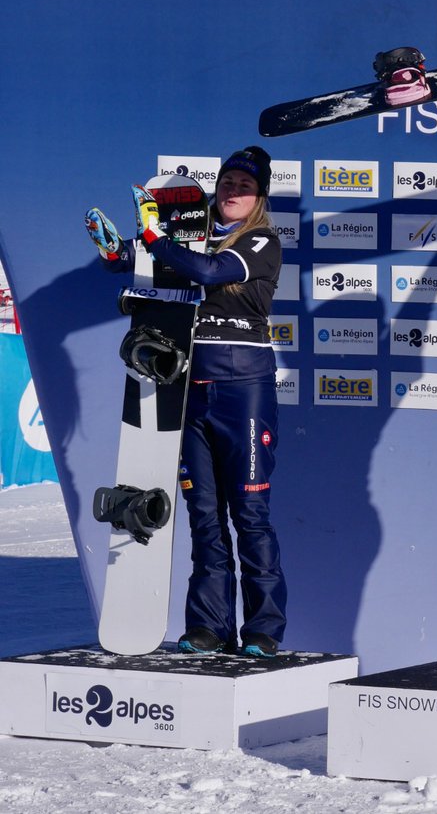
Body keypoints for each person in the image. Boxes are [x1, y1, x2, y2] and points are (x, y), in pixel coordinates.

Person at [86, 146, 286, 657]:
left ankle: (262, 630)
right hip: (188, 391)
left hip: (243, 393)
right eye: (227, 183)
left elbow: (209, 272)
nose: (232, 192)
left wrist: (154, 236)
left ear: (258, 195)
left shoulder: (260, 240)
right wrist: (120, 254)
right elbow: (159, 265)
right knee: (203, 516)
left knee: (250, 515)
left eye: (243, 185)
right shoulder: (192, 237)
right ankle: (207, 626)